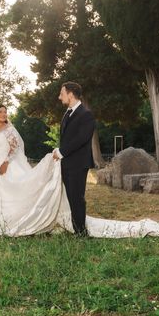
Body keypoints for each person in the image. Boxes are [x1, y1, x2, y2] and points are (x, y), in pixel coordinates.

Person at [0, 99, 159, 239]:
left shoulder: (9, 129)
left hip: (7, 165)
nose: (4, 114)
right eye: (1, 112)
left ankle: (17, 219)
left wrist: (6, 161)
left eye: (6, 111)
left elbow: (15, 146)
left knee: (13, 192)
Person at [52, 81, 94, 236]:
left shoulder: (86, 114)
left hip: (78, 164)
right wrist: (59, 150)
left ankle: (81, 233)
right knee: (71, 197)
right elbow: (68, 139)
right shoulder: (67, 113)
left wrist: (62, 152)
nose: (59, 97)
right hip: (67, 163)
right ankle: (76, 228)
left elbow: (82, 139)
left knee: (77, 198)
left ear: (70, 94)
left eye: (62, 94)